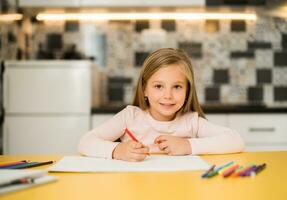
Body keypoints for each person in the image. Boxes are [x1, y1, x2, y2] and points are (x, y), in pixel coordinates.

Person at [78, 48, 244, 162]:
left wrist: (187, 146)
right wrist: (117, 151)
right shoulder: (130, 117)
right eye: (158, 86)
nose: (168, 96)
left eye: (177, 87)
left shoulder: (190, 122)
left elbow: (235, 140)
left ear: (188, 91)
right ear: (144, 89)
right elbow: (85, 142)